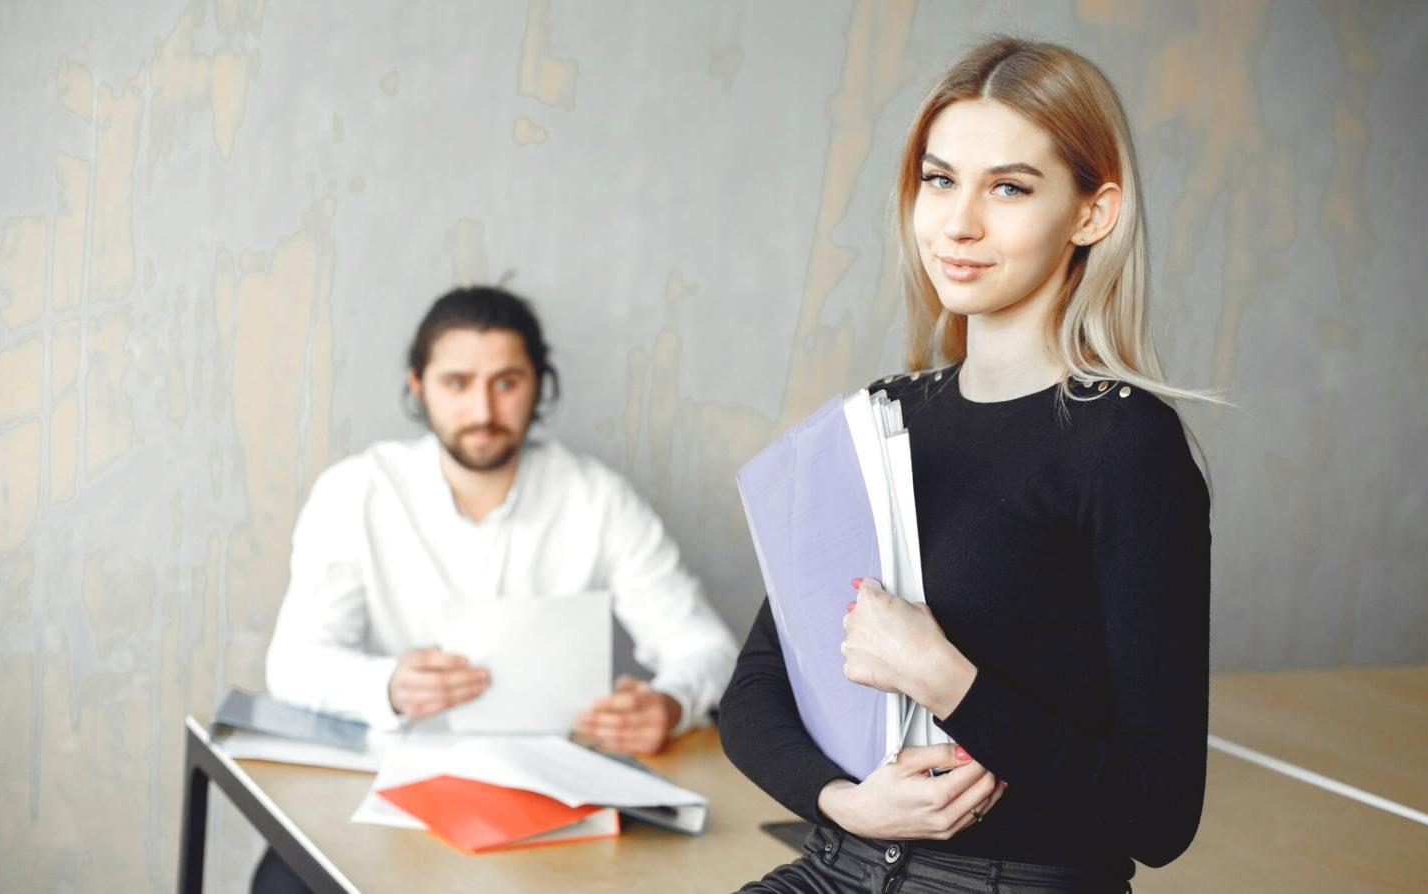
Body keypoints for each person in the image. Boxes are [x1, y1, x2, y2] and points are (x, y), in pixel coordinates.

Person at [720, 36, 1215, 893]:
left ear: (1093, 214)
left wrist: (946, 681)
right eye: (940, 180)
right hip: (839, 861)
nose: (958, 223)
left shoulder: (1126, 445)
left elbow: (1160, 814)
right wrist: (845, 803)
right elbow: (756, 687)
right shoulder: (886, 419)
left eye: (1009, 188)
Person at [253, 286, 738, 893]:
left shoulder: (597, 498)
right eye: (457, 383)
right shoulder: (356, 492)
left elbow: (706, 648)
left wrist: (669, 703)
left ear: (539, 385)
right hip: (392, 782)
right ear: (418, 386)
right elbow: (293, 663)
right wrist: (388, 684)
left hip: (556, 793)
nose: (482, 409)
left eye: (506, 382)